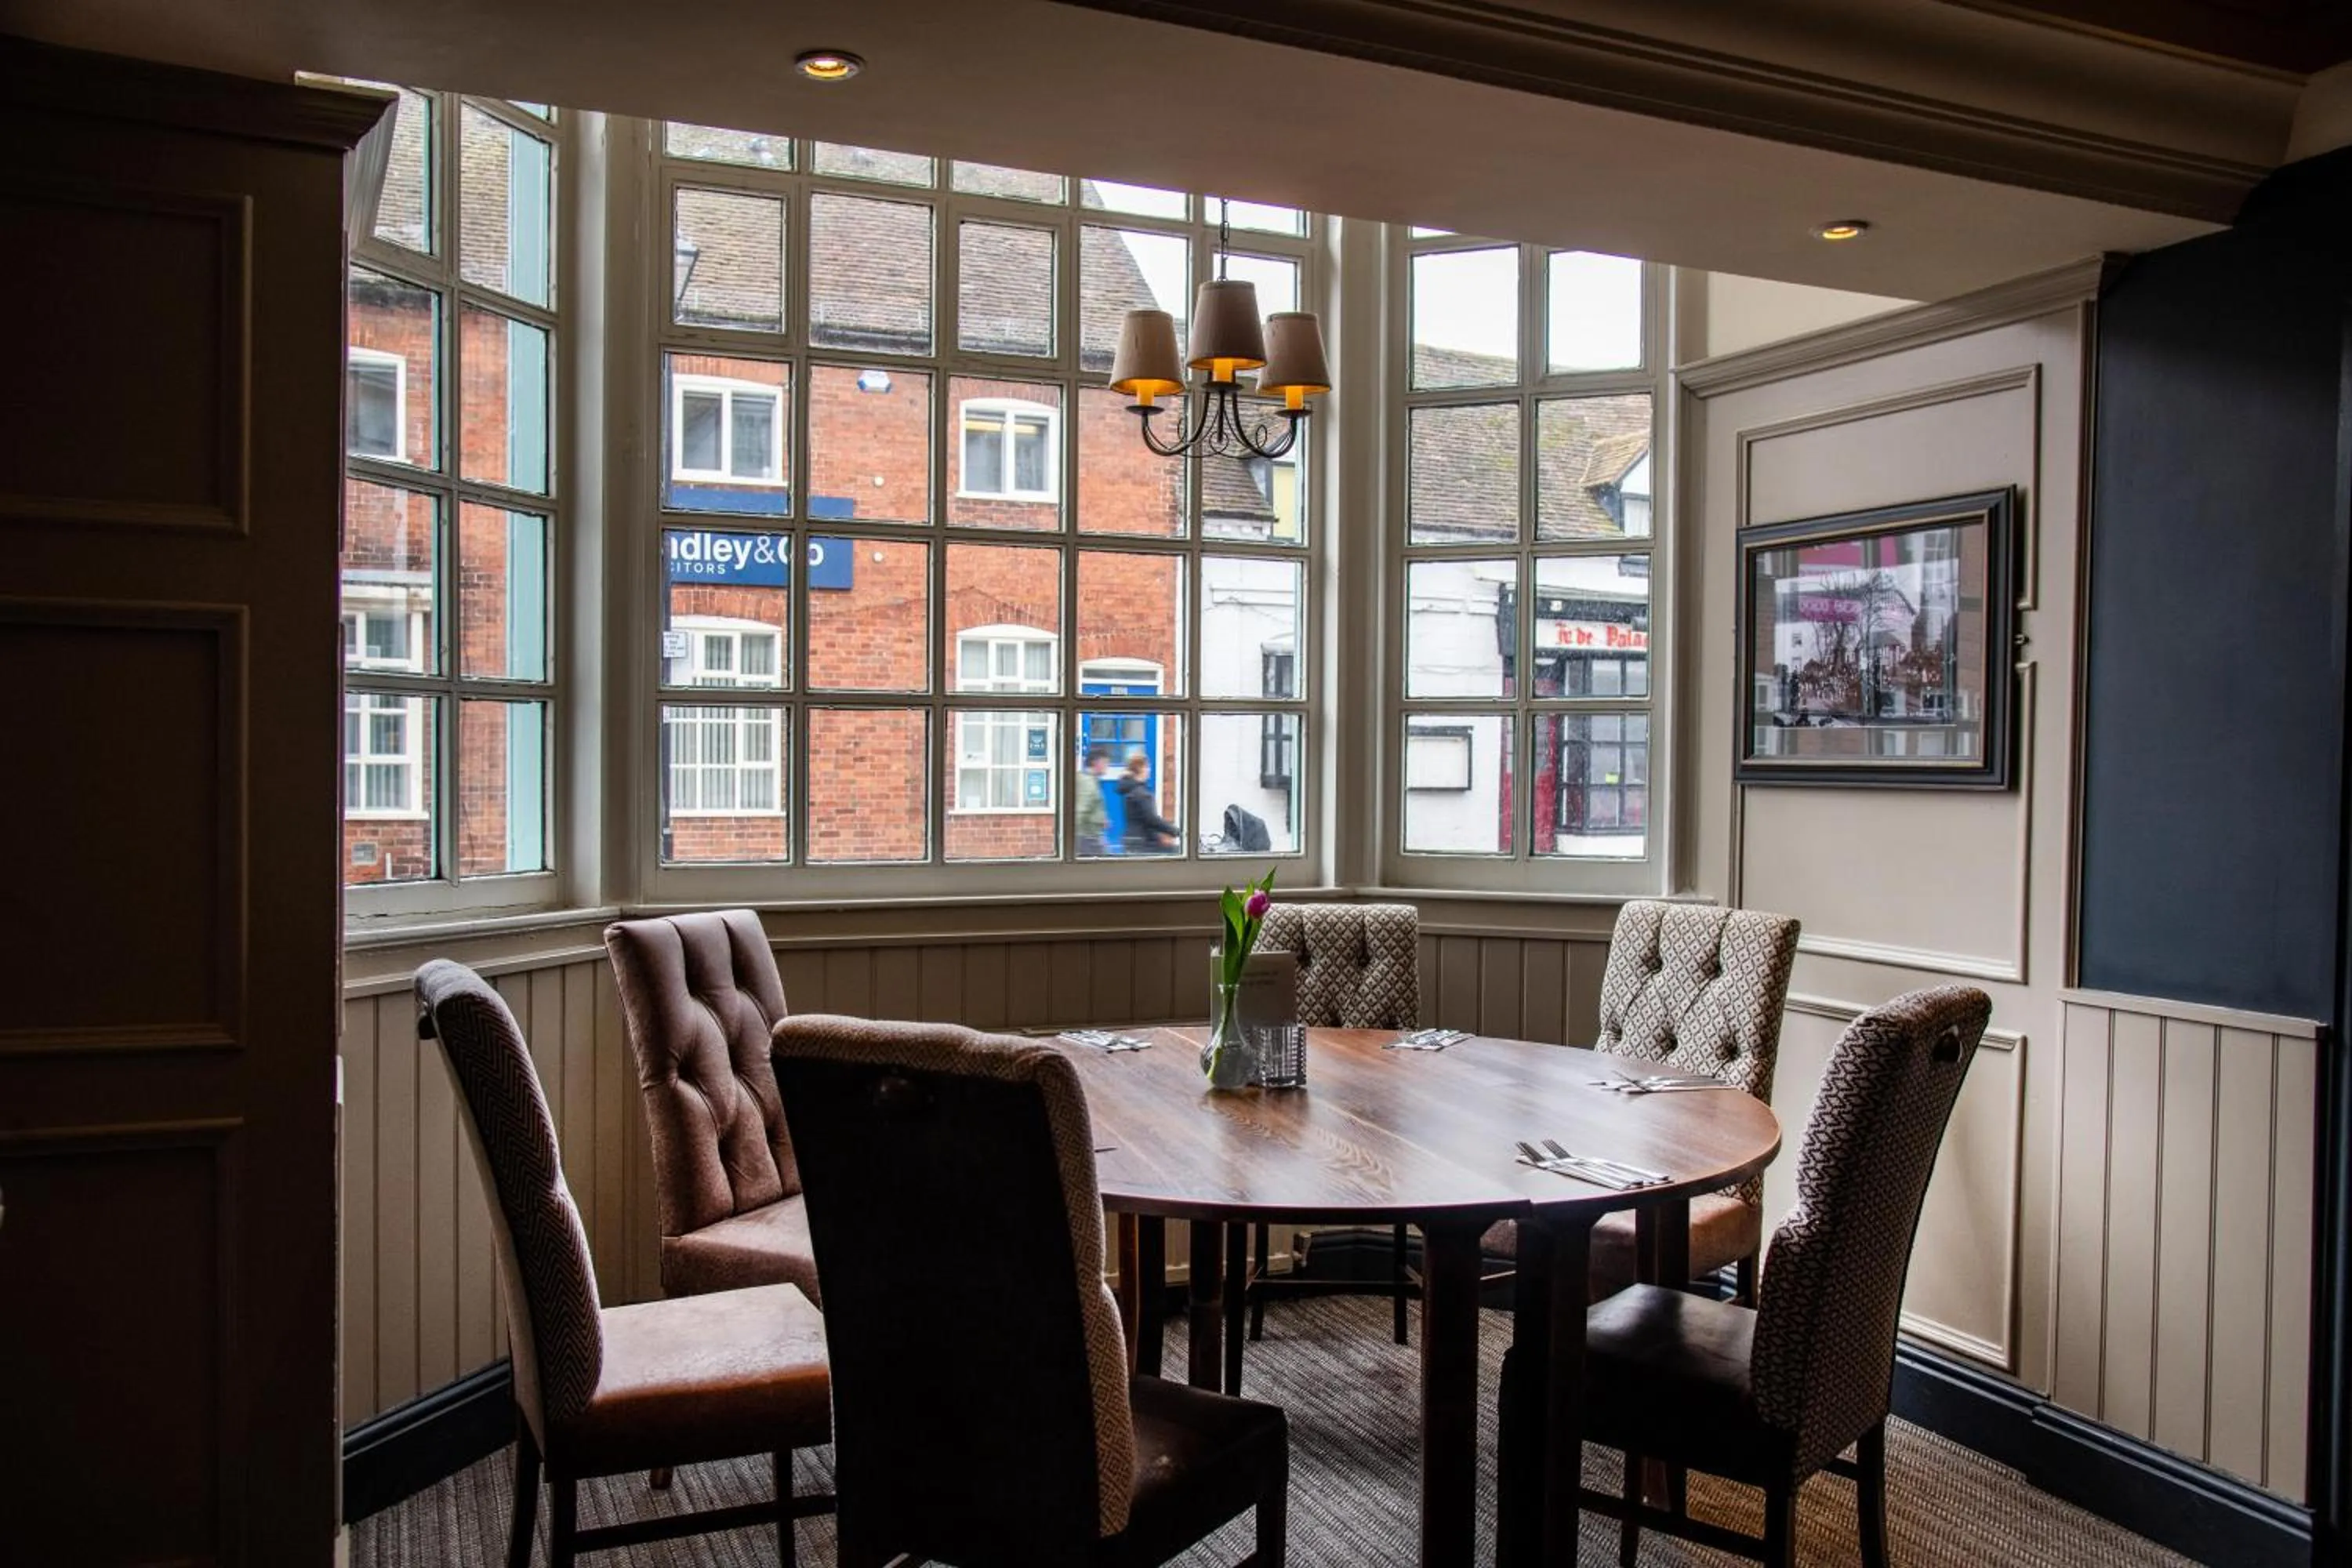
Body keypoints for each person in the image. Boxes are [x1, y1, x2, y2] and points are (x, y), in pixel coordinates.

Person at [1116, 752, 1180, 855]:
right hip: (1143, 842)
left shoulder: (1129, 789)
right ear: (1140, 768)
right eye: (1147, 767)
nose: (1149, 770)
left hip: (1132, 839)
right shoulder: (1141, 793)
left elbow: (1143, 819)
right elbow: (1152, 819)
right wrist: (1176, 831)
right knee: (1177, 853)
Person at [1076, 746, 1119, 857]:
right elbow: (1080, 811)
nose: (1107, 767)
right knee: (1109, 866)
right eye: (1105, 763)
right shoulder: (1088, 783)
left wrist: (1101, 819)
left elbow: (1091, 805)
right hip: (1089, 837)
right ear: (1096, 763)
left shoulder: (1089, 779)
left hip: (1090, 834)